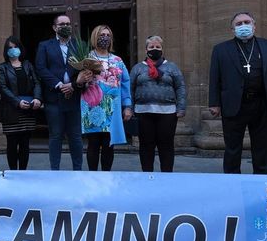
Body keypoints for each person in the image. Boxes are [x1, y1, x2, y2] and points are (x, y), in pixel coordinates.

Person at [208, 12, 267, 174]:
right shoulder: (220, 49)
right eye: (238, 24)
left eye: (247, 22)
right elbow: (215, 78)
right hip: (234, 103)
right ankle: (232, 178)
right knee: (232, 146)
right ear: (232, 29)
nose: (243, 26)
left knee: (262, 145)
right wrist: (214, 103)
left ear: (254, 25)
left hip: (262, 103)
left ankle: (260, 177)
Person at [76, 25, 132, 171]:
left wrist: (127, 105)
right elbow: (79, 82)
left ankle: (106, 176)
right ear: (95, 37)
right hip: (92, 106)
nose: (105, 38)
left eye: (108, 35)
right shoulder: (87, 58)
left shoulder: (118, 60)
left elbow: (125, 83)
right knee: (93, 143)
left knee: (109, 143)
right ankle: (93, 177)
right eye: (101, 35)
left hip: (111, 107)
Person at [129, 35, 187, 172]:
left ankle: (166, 176)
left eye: (157, 47)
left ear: (162, 49)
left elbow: (180, 87)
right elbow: (130, 89)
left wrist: (181, 107)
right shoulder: (137, 68)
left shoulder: (172, 67)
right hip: (143, 113)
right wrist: (129, 108)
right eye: (151, 47)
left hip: (167, 113)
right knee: (146, 146)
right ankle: (147, 176)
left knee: (166, 146)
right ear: (146, 50)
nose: (154, 49)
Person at [35, 14, 84, 170]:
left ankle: (78, 171)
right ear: (55, 27)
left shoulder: (80, 45)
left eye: (68, 23)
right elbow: (41, 68)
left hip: (74, 98)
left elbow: (85, 69)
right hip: (54, 99)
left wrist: (73, 86)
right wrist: (58, 85)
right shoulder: (45, 46)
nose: (65, 26)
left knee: (75, 137)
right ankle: (54, 171)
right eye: (62, 24)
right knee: (55, 136)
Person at [0, 36, 43, 170]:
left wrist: (37, 98)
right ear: (6, 50)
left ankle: (23, 172)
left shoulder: (28, 65)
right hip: (11, 111)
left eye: (15, 47)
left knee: (24, 144)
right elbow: (2, 88)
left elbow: (36, 83)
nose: (13, 50)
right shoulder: (1, 68)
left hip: (28, 109)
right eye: (10, 48)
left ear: (20, 48)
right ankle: (12, 172)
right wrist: (17, 102)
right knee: (12, 144)